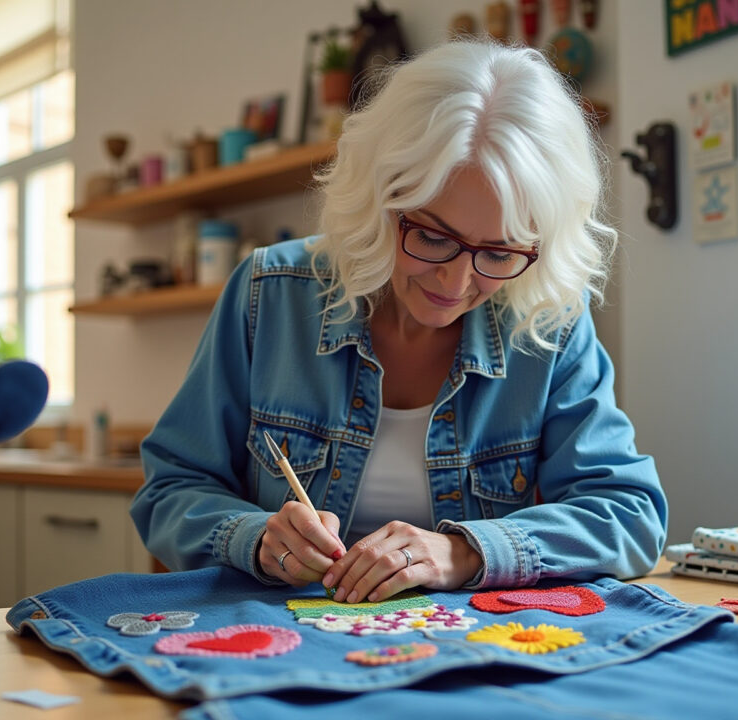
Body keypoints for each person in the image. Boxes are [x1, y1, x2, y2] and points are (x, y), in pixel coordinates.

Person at [131, 40, 666, 605]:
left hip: (468, 644)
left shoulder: (546, 318)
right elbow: (170, 490)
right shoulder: (271, 293)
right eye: (432, 237)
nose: (456, 283)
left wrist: (464, 553)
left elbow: (628, 515)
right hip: (276, 633)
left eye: (499, 252)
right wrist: (257, 539)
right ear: (377, 200)